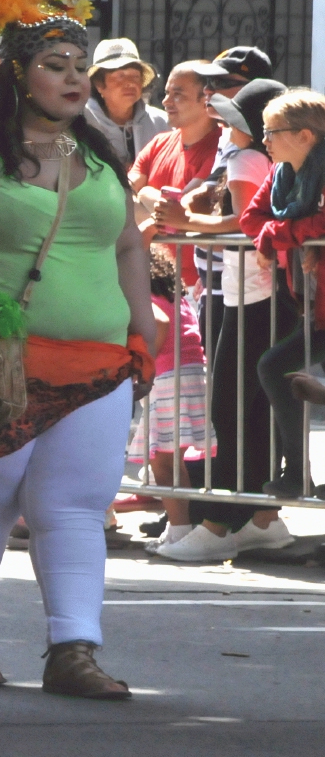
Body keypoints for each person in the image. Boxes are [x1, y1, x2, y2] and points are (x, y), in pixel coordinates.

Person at [0, 17, 153, 699]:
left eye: (80, 66)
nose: (77, 77)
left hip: (98, 363)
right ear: (17, 74)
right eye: (57, 64)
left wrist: (142, 326)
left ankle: (73, 651)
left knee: (77, 509)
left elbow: (125, 244)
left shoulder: (99, 151)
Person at [149, 79, 293, 559]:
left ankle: (223, 521)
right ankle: (256, 517)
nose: (223, 125)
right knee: (243, 408)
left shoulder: (250, 159)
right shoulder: (249, 158)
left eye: (232, 118)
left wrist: (190, 222)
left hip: (256, 295)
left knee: (233, 410)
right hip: (242, 293)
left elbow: (244, 223)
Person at [239, 88, 325, 502]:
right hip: (314, 306)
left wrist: (280, 238)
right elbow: (250, 218)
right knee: (275, 367)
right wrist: (290, 238)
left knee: (275, 366)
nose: (265, 141)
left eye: (272, 132)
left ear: (305, 136)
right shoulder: (280, 176)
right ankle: (298, 472)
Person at [126, 245, 207, 547]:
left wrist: (145, 362)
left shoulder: (144, 297)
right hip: (192, 373)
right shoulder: (175, 295)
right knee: (173, 461)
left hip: (167, 378)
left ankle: (180, 530)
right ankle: (179, 528)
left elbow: (158, 325)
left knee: (163, 464)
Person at [131, 62, 222, 286]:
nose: (166, 102)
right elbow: (123, 193)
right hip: (152, 283)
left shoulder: (220, 149)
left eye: (177, 94)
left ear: (207, 99)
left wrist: (145, 194)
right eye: (166, 93)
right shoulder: (159, 142)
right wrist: (166, 215)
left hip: (195, 286)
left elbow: (184, 209)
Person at [82, 38, 166, 164]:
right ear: (99, 84)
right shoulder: (82, 122)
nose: (130, 83)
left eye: (135, 76)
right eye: (120, 76)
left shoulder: (162, 123)